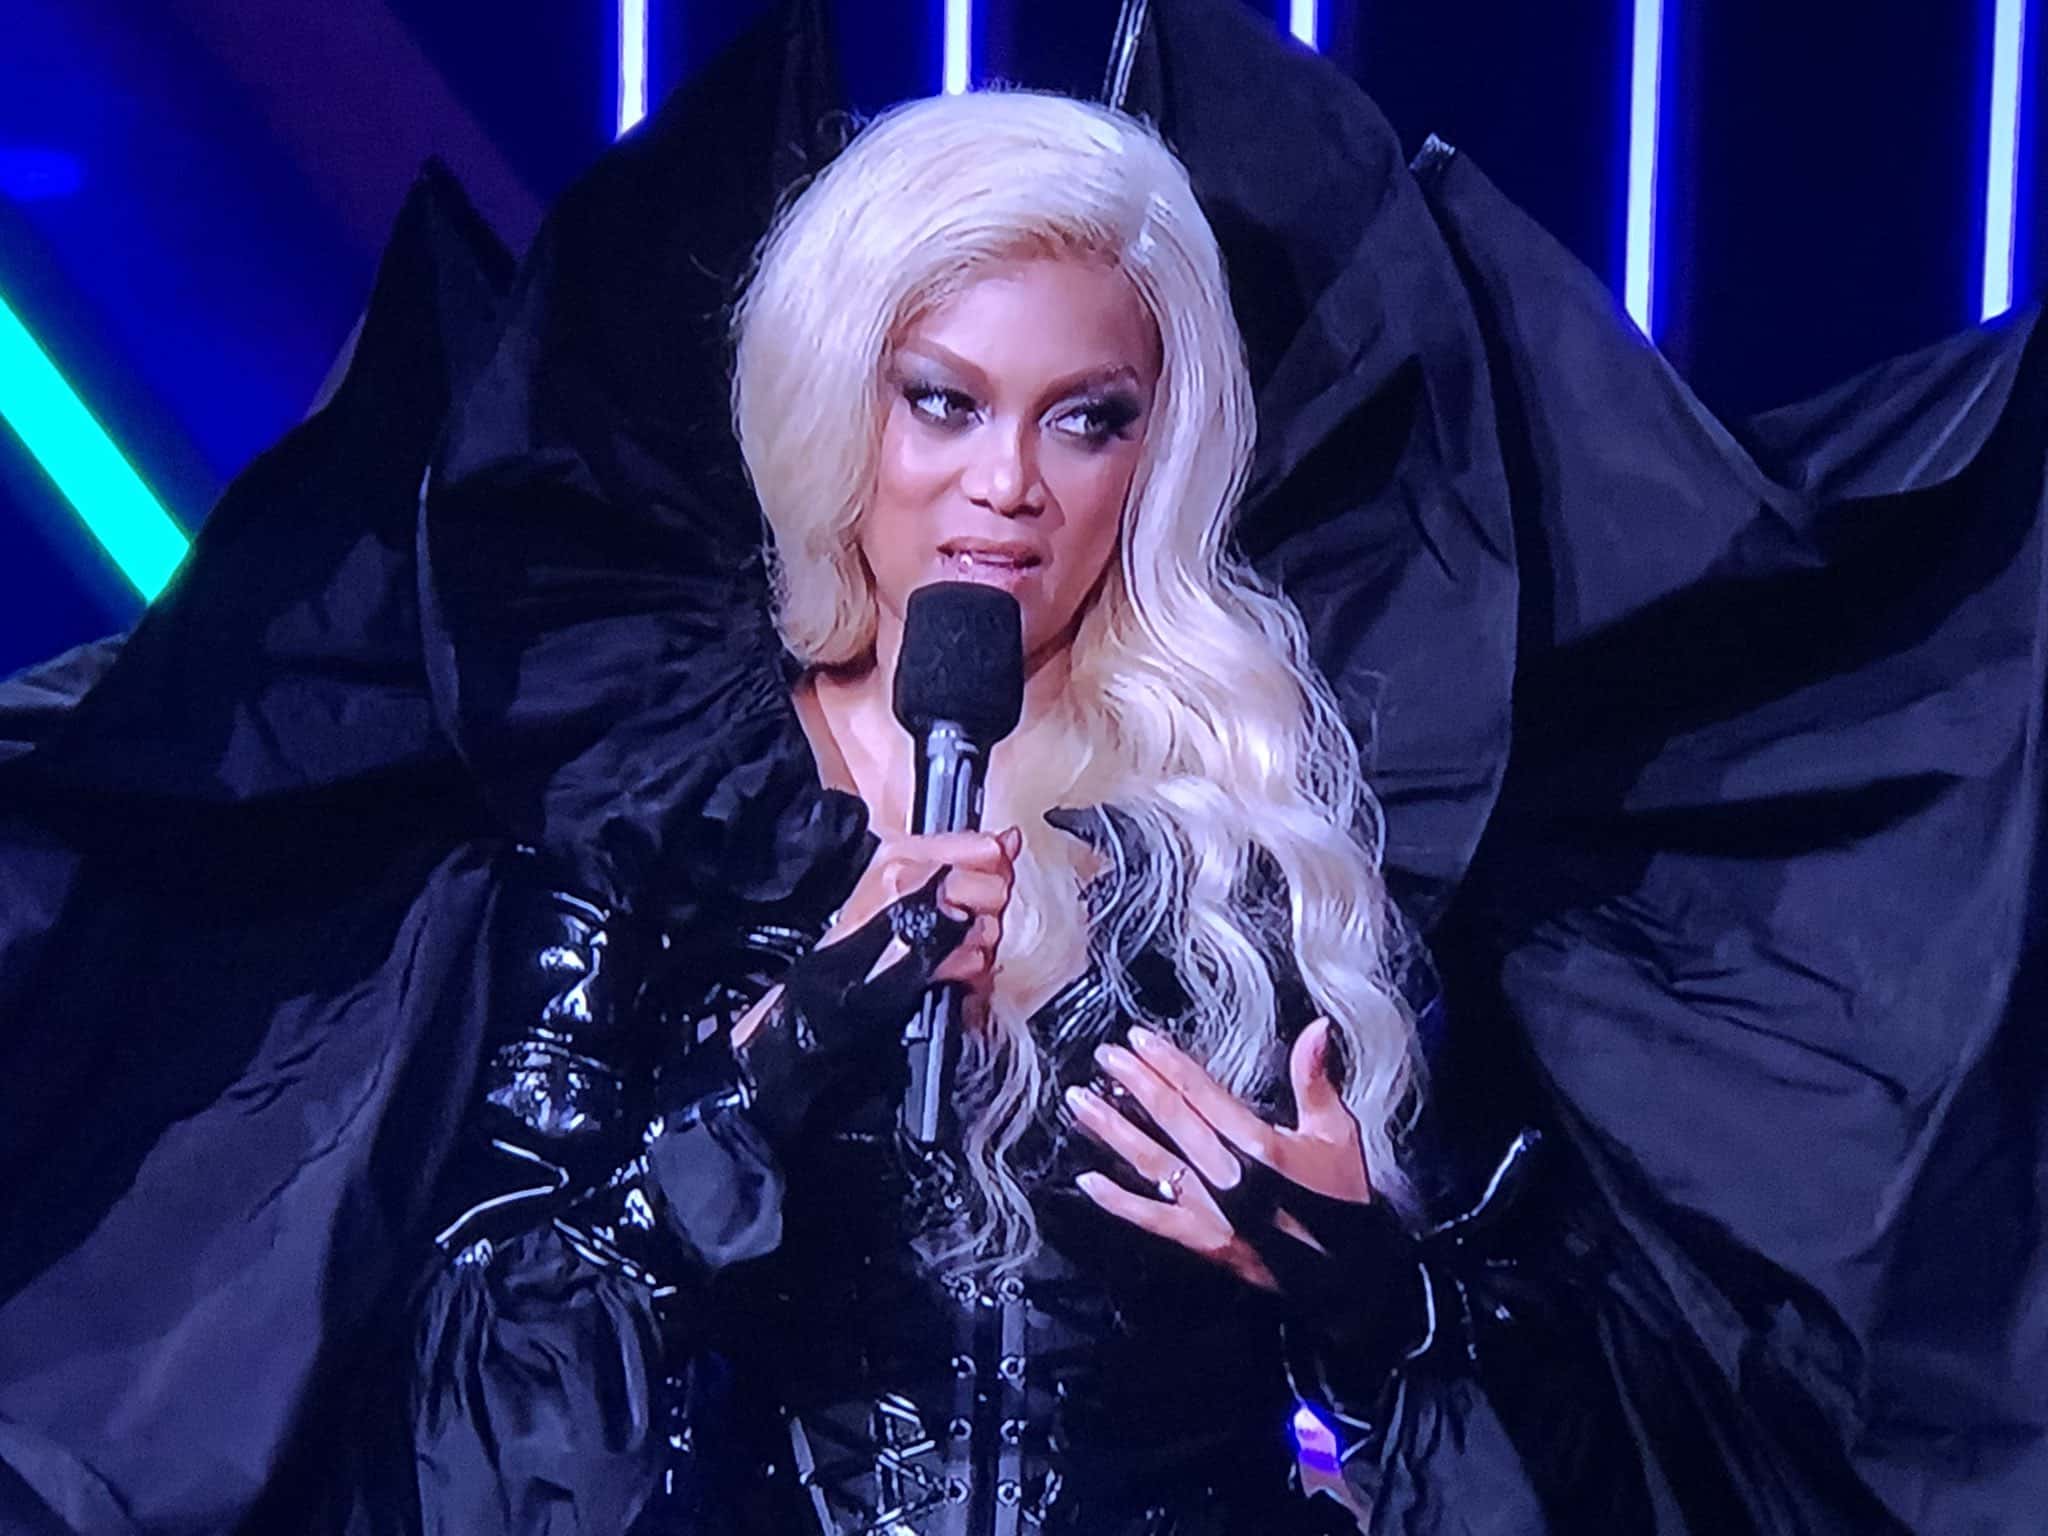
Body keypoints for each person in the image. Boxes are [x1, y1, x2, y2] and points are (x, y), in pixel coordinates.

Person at [1, 1, 2042, 1533]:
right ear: (838, 409)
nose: (1007, 487)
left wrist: (1371, 1296)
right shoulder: (653, 830)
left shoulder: (1279, 835)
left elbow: (1562, 1429)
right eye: (945, 402)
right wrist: (768, 1073)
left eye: (1086, 418)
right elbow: (487, 1421)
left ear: (1163, 450)